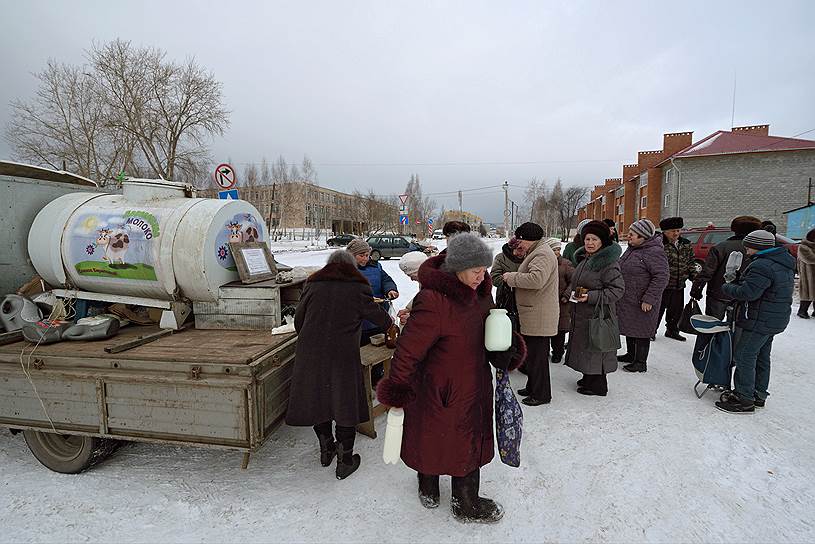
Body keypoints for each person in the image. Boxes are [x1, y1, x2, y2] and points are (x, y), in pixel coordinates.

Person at [376, 233, 526, 523]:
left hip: (474, 382)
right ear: (457, 267)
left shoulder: (482, 294)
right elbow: (408, 351)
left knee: (458, 441)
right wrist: (398, 389)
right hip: (439, 388)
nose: (480, 277)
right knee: (446, 439)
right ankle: (449, 496)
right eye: (475, 271)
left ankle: (457, 496)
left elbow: (492, 330)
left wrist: (507, 348)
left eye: (484, 270)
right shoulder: (434, 300)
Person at [286, 250, 393, 479]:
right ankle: (345, 461)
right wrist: (390, 322)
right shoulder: (356, 287)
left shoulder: (313, 285)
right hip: (342, 355)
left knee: (319, 399)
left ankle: (327, 450)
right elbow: (379, 317)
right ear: (351, 267)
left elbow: (299, 321)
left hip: (311, 353)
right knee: (345, 403)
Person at [715, 230, 795, 413]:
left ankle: (744, 399)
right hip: (774, 318)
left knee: (744, 356)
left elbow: (749, 293)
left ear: (758, 247)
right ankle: (758, 394)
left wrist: (728, 286)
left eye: (748, 247)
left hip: (758, 318)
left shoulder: (762, 266)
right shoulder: (782, 262)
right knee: (761, 357)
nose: (746, 251)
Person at [502, 222, 560, 406]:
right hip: (535, 313)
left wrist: (511, 277)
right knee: (532, 355)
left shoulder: (541, 253)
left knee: (538, 358)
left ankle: (541, 394)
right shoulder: (538, 250)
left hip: (539, 314)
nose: (519, 244)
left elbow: (536, 280)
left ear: (529, 239)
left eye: (521, 239)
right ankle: (533, 387)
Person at [566, 220, 625, 396]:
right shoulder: (586, 258)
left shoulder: (608, 263)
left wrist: (590, 297)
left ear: (602, 242)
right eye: (587, 239)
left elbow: (618, 290)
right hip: (584, 313)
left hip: (599, 314)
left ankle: (598, 385)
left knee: (597, 349)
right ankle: (588, 377)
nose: (590, 243)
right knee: (586, 347)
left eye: (594, 240)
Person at [616, 220, 668, 373]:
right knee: (631, 327)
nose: (628, 237)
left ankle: (640, 362)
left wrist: (649, 299)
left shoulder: (654, 251)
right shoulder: (633, 249)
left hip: (643, 300)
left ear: (643, 236)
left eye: (632, 234)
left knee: (642, 331)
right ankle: (631, 354)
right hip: (629, 298)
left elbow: (661, 276)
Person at [690, 216, 762, 319]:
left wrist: (696, 289)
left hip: (718, 294)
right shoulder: (758, 250)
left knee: (710, 326)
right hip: (743, 296)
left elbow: (707, 272)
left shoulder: (720, 247)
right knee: (738, 329)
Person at [346, 238, 399, 345]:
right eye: (361, 255)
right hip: (358, 322)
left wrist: (390, 289)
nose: (365, 259)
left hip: (379, 317)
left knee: (379, 350)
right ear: (351, 255)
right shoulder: (345, 270)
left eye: (367, 255)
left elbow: (385, 279)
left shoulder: (376, 266)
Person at [657, 217, 696, 341]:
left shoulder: (685, 244)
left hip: (679, 284)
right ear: (664, 231)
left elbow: (690, 262)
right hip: (662, 285)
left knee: (676, 311)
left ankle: (672, 330)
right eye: (673, 231)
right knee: (657, 310)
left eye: (678, 230)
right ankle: (650, 331)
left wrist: (695, 277)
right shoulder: (659, 245)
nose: (676, 233)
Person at [546, 238, 573, 364]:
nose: (557, 252)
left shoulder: (566, 264)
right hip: (546, 302)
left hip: (562, 302)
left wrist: (566, 295)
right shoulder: (544, 263)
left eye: (558, 249)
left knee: (559, 331)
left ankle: (558, 352)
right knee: (545, 330)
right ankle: (545, 352)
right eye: (554, 249)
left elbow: (573, 282)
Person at [490, 236, 526, 315]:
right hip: (505, 299)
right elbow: (494, 279)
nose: (522, 253)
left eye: (524, 249)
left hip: (525, 299)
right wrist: (510, 279)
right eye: (519, 249)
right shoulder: (501, 258)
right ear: (512, 248)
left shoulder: (528, 258)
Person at [395, 251, 428, 325]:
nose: (412, 279)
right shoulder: (425, 279)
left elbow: (435, 310)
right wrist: (409, 308)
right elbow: (422, 297)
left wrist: (412, 318)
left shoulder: (436, 283)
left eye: (412, 276)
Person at [797, 228, 815, 319]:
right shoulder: (804, 246)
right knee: (807, 294)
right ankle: (802, 311)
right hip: (808, 276)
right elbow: (809, 258)